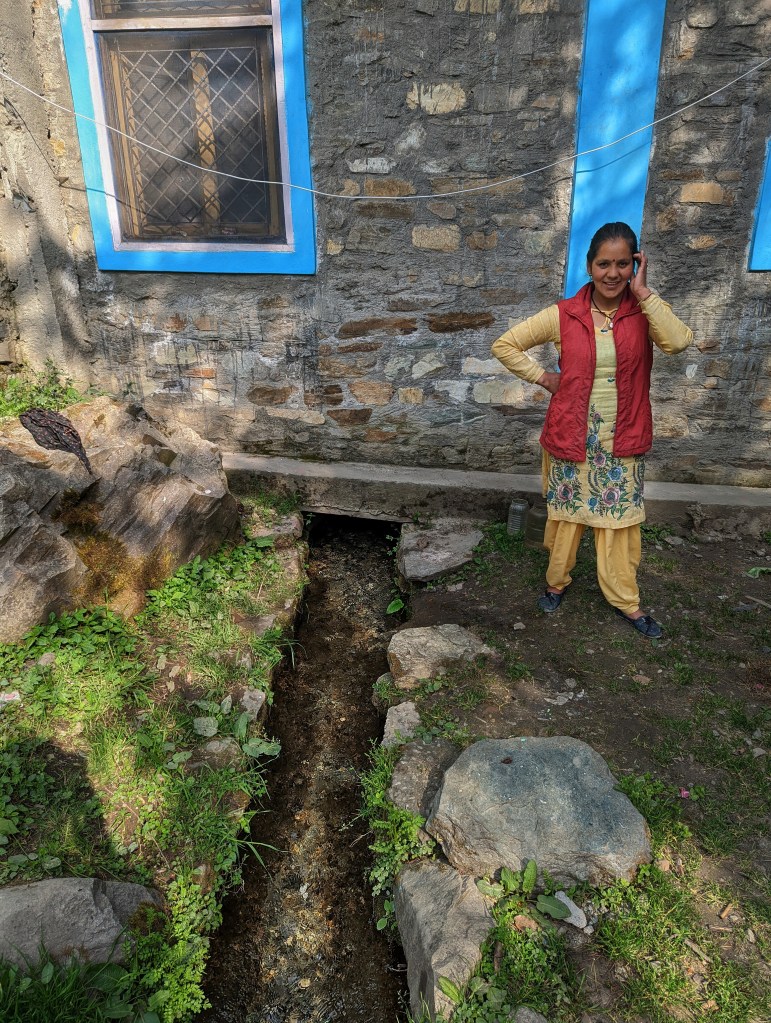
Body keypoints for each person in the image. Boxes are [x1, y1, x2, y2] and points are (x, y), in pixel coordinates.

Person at [491, 222, 693, 638]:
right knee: (568, 516)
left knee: (620, 521)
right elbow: (505, 345)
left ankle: (626, 601)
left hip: (623, 436)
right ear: (589, 266)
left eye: (623, 264)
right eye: (604, 264)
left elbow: (678, 343)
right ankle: (556, 582)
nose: (613, 274)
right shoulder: (564, 314)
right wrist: (544, 377)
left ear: (635, 264)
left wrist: (644, 292)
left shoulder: (645, 313)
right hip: (572, 433)